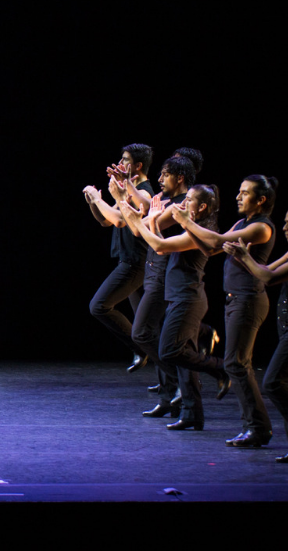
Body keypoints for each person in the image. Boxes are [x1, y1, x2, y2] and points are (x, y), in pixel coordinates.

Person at [176, 175, 278, 448]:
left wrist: (187, 222)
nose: (237, 197)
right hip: (236, 301)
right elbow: (211, 247)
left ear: (261, 200)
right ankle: (255, 427)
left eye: (245, 193)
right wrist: (188, 225)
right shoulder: (242, 224)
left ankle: (257, 428)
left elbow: (218, 239)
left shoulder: (261, 228)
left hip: (248, 301)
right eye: (239, 191)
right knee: (236, 364)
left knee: (237, 364)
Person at [121, 184, 230, 431]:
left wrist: (137, 222)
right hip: (178, 297)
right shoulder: (191, 227)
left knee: (170, 351)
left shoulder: (200, 232)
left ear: (202, 207)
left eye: (189, 200)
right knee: (177, 356)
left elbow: (160, 247)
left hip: (188, 299)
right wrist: (153, 221)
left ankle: (221, 368)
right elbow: (160, 245)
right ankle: (193, 414)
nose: (182, 203)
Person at [224, 203, 288, 463]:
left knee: (273, 383)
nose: (285, 227)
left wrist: (246, 257)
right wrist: (243, 258)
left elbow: (269, 279)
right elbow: (267, 271)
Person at [127, 155, 193, 418]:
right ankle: (169, 397)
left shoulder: (182, 204)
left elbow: (139, 229)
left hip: (164, 275)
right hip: (153, 270)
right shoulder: (166, 200)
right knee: (155, 333)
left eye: (165, 174)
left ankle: (181, 382)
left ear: (180, 177)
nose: (160, 179)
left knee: (142, 333)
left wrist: (122, 199)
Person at [83, 144, 154, 372]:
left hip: (136, 263)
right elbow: (106, 220)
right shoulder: (128, 191)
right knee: (149, 326)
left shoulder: (143, 192)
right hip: (130, 260)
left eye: (125, 160)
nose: (121, 163)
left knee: (99, 306)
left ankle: (140, 348)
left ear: (138, 165)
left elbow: (120, 220)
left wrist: (99, 199)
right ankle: (173, 380)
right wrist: (94, 202)